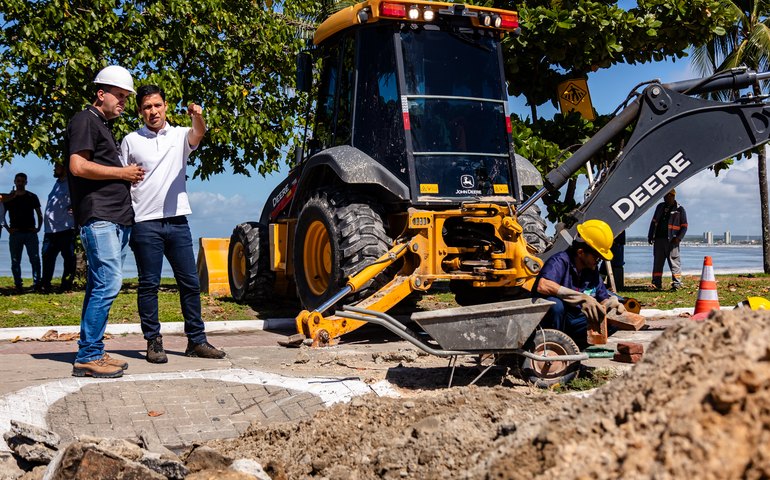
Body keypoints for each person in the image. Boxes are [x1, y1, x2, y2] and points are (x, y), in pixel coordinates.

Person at [120, 84, 225, 363]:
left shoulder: (180, 136)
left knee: (190, 283)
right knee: (149, 285)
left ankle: (197, 341)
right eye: (146, 107)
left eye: (157, 105)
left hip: (178, 222)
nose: (152, 111)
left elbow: (198, 133)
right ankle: (153, 342)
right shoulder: (131, 140)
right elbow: (122, 178)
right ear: (140, 111)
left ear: (165, 106)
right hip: (144, 222)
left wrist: (197, 115)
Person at [65, 65, 145, 378]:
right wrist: (122, 173)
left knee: (100, 284)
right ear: (102, 93)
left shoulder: (102, 125)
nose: (124, 102)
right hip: (101, 218)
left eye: (127, 97)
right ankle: (88, 356)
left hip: (113, 217)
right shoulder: (86, 119)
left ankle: (92, 351)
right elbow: (77, 166)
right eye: (120, 96)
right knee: (109, 284)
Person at [534, 219, 625, 350]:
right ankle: (552, 347)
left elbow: (602, 298)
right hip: (554, 321)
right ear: (581, 252)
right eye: (596, 257)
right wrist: (581, 298)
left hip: (575, 321)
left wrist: (611, 304)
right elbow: (543, 285)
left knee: (613, 320)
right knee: (555, 305)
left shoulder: (591, 270)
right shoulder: (560, 261)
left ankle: (575, 347)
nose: (598, 261)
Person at [2, 173, 42, 293]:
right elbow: (1, 215)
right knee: (15, 260)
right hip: (15, 233)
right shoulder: (9, 198)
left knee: (35, 259)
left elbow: (39, 213)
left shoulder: (32, 196)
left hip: (30, 233)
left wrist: (38, 228)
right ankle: (18, 284)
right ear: (14, 181)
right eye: (18, 181)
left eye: (22, 181)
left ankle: (37, 284)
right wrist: (7, 228)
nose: (20, 183)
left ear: (26, 182)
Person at [40, 163, 76, 293]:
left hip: (65, 228)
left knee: (69, 258)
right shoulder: (57, 184)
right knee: (47, 257)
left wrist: (75, 208)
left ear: (65, 168)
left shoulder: (71, 184)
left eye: (57, 166)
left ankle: (66, 286)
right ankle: (45, 284)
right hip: (50, 230)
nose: (54, 169)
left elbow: (79, 199)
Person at [647, 189, 687, 290]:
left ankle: (677, 284)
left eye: (667, 196)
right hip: (659, 239)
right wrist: (650, 235)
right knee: (658, 263)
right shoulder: (660, 207)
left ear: (672, 196)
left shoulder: (680, 209)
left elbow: (684, 226)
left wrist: (678, 238)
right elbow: (654, 221)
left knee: (674, 261)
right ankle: (656, 283)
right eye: (664, 196)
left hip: (672, 241)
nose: (665, 198)